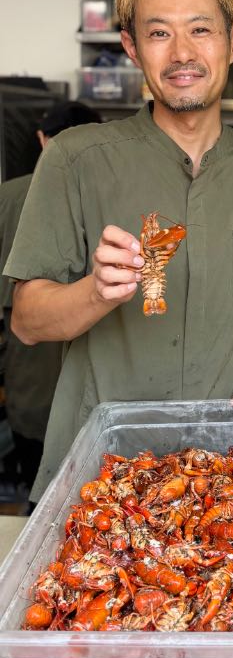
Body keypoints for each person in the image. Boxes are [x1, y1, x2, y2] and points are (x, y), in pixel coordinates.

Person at [4, 0, 233, 501]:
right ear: (132, 47)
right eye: (159, 33)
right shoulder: (77, 159)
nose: (182, 53)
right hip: (98, 475)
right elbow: (29, 323)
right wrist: (98, 290)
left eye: (200, 30)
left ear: (231, 39)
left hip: (228, 474)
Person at [0, 101, 102, 492]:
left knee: (36, 472)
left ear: (43, 138)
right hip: (92, 344)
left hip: (27, 356)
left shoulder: (8, 195)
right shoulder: (107, 196)